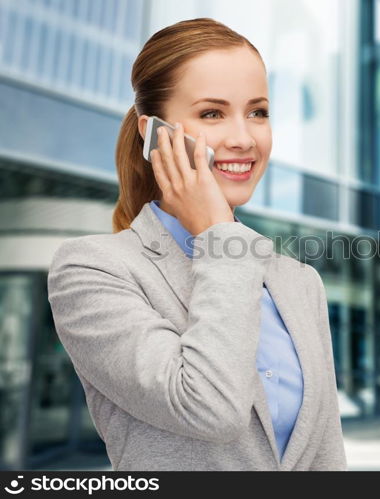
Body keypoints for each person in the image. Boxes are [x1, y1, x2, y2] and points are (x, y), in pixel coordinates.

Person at [47, 18, 347, 471]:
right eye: (212, 113)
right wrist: (217, 232)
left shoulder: (300, 281)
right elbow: (209, 408)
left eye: (258, 112)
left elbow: (325, 452)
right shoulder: (93, 270)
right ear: (155, 135)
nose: (243, 139)